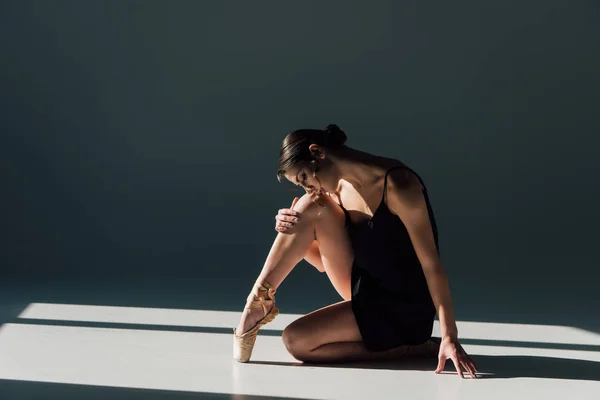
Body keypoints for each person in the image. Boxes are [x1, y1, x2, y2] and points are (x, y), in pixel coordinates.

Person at [233, 124, 478, 379]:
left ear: (318, 152)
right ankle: (259, 301)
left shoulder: (397, 184)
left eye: (304, 178)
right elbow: (322, 264)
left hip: (405, 305)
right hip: (367, 290)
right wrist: (295, 230)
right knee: (308, 207)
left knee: (295, 341)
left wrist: (450, 335)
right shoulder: (334, 190)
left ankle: (409, 347)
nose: (308, 188)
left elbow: (432, 265)